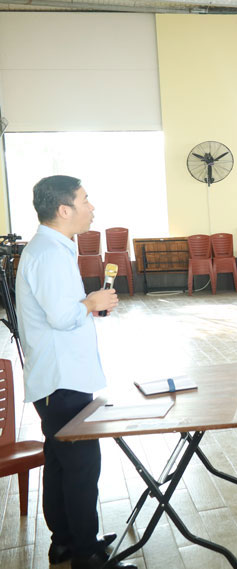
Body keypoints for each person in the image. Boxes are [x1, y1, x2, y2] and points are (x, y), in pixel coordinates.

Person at [16, 175, 131, 569]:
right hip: (62, 380)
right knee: (81, 467)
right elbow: (63, 316)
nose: (92, 207)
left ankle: (65, 542)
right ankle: (87, 554)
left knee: (61, 462)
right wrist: (90, 302)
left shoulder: (50, 248)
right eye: (85, 200)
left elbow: (62, 310)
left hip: (57, 378)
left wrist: (88, 305)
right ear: (64, 210)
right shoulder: (50, 254)